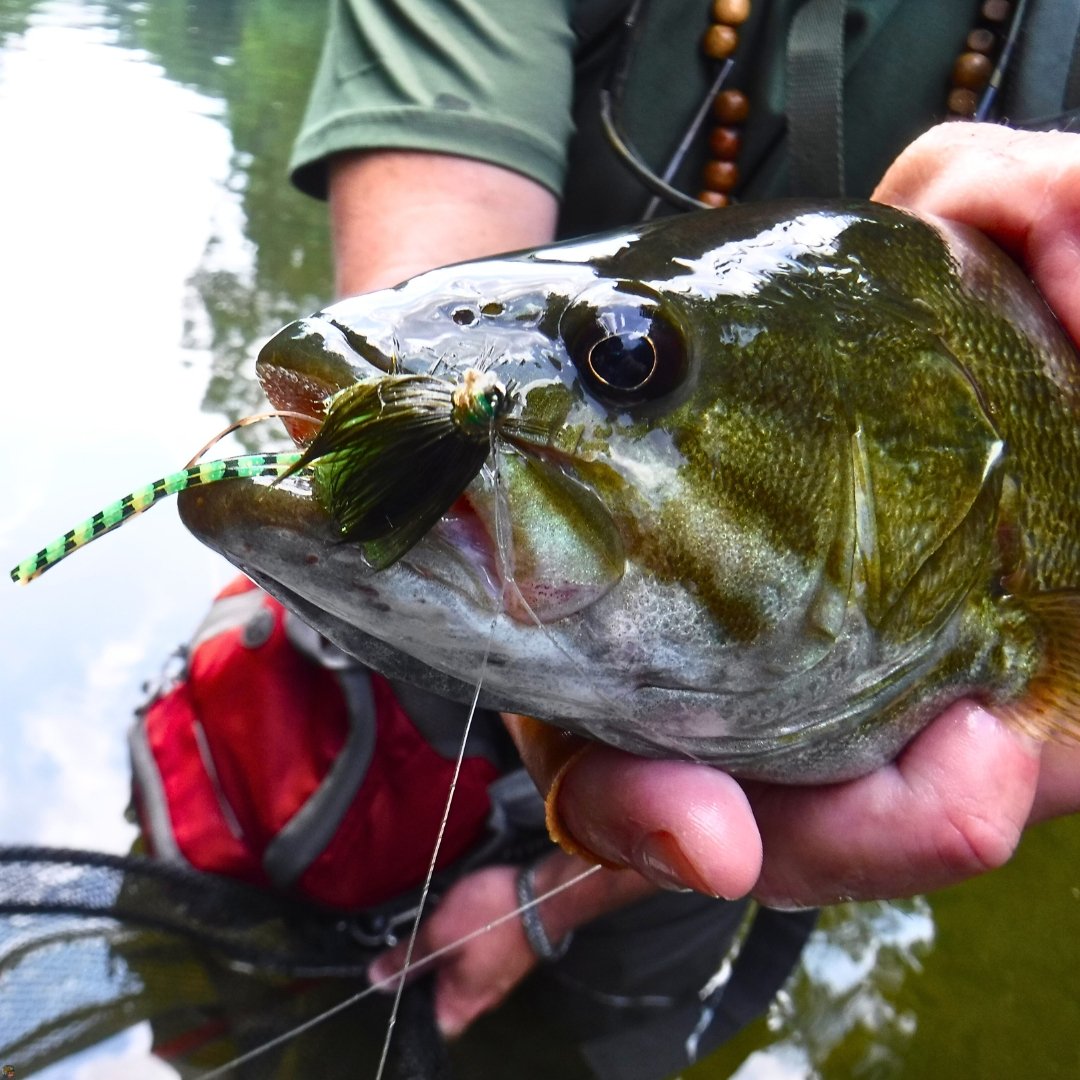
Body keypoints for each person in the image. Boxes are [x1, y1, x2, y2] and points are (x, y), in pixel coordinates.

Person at [279, 0, 1080, 1065]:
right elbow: (410, 353)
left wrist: (544, 907)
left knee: (593, 1041)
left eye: (627, 359)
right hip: (403, 682)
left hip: (727, 819)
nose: (619, 364)